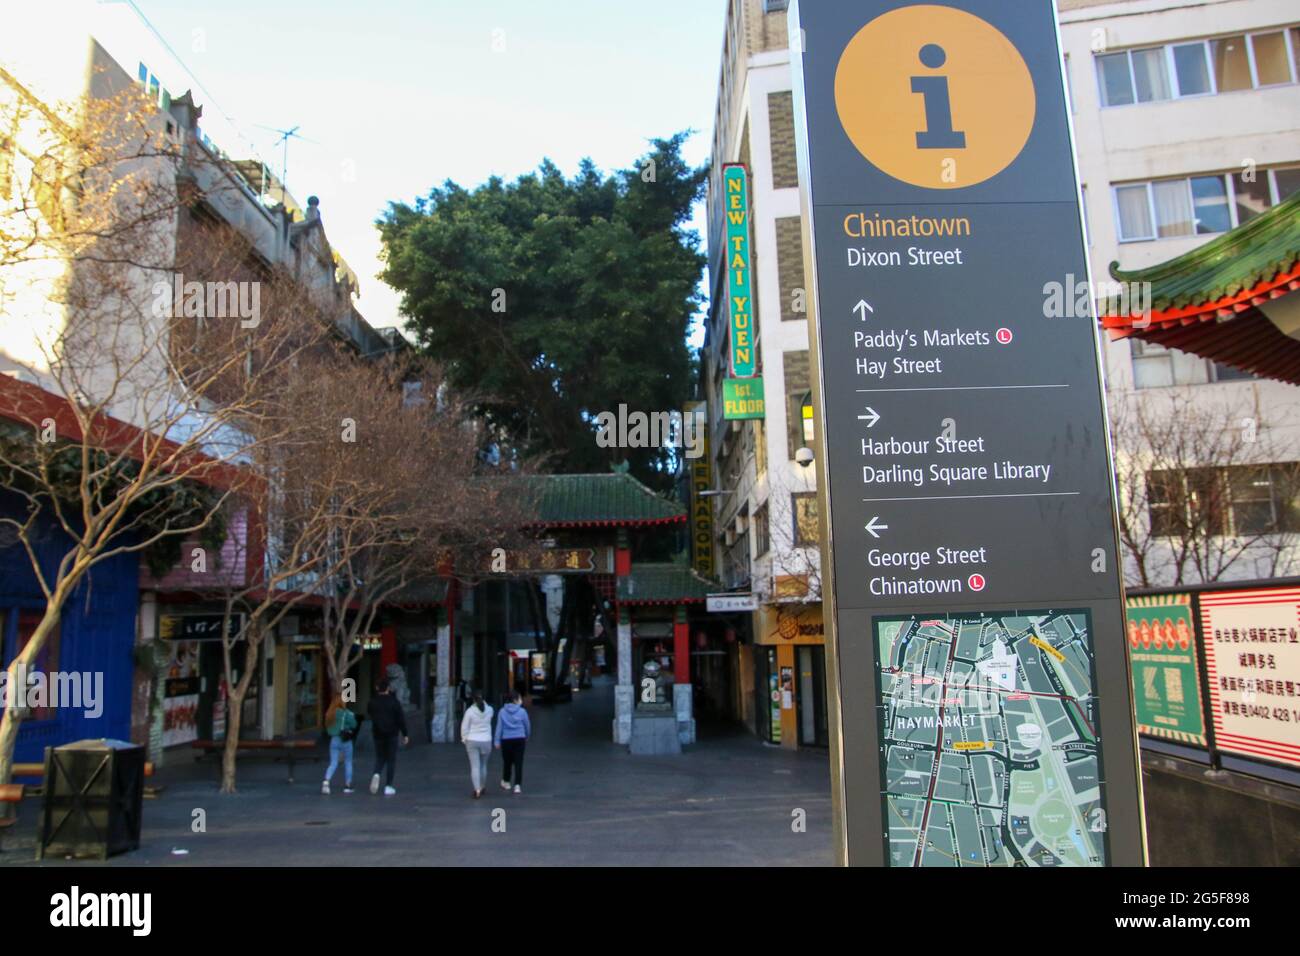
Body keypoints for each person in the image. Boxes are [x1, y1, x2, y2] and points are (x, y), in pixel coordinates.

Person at [367, 678, 409, 796]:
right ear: (388, 688)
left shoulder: (372, 702)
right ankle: (388, 786)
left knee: (380, 757)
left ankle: (376, 773)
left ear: (377, 688)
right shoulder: (394, 702)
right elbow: (400, 719)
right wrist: (405, 734)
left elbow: (369, 713)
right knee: (391, 759)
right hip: (392, 734)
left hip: (377, 734)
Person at [494, 689, 531, 794]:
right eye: (519, 698)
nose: (521, 700)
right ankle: (517, 785)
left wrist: (497, 741)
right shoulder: (522, 711)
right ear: (515, 700)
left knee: (507, 762)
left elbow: (499, 727)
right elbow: (527, 725)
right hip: (520, 738)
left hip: (506, 739)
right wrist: (527, 736)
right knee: (519, 762)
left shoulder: (502, 711)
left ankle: (506, 781)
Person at [460, 689, 495, 799]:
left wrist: (464, 739)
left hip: (472, 740)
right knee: (483, 765)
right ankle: (483, 786)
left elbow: (464, 727)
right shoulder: (490, 710)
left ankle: (477, 790)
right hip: (486, 740)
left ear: (473, 699)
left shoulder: (470, 711)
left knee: (475, 766)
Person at [321, 693, 358, 795]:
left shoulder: (329, 714)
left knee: (333, 762)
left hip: (334, 739)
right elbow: (354, 724)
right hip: (345, 739)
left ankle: (326, 780)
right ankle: (348, 785)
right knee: (348, 762)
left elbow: (328, 728)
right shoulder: (346, 713)